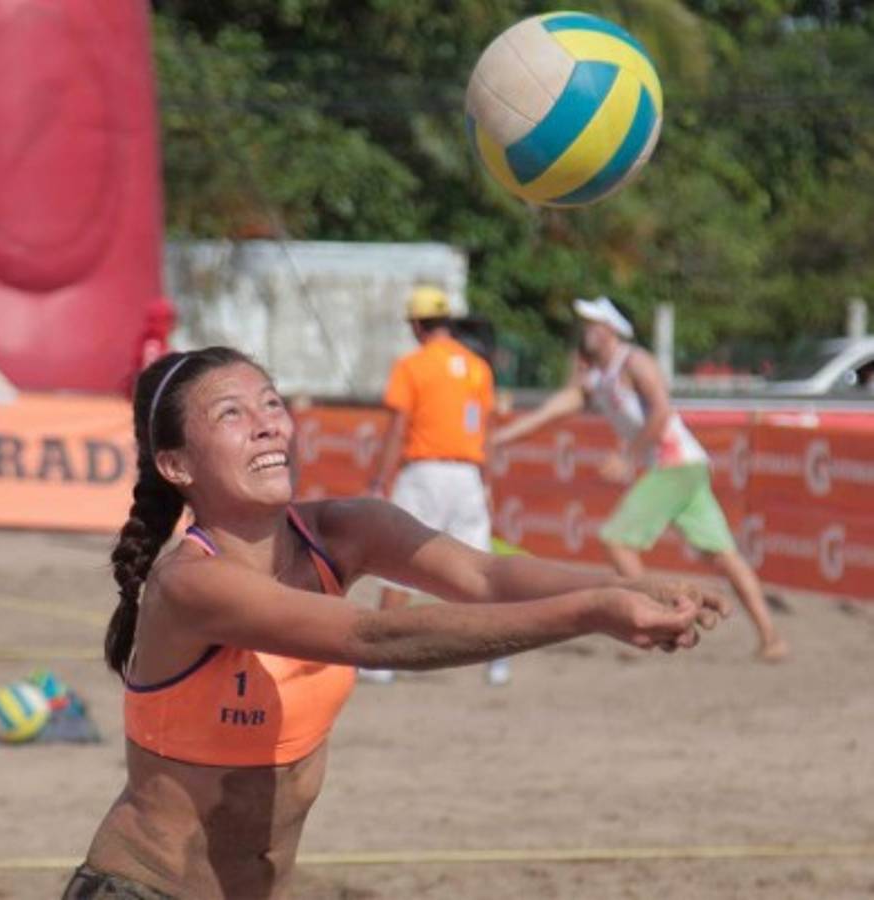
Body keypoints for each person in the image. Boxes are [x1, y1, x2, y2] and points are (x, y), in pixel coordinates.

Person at [66, 345, 728, 899]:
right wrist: (591, 612)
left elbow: (484, 576)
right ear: (176, 465)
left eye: (270, 403)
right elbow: (376, 636)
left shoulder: (344, 530)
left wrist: (623, 584)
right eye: (232, 414)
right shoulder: (190, 583)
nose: (267, 423)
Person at [492, 296, 788, 663]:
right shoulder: (597, 377)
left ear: (612, 330)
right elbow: (552, 411)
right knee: (724, 556)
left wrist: (627, 456)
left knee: (617, 541)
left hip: (674, 465)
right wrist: (500, 438)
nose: (586, 331)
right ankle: (771, 637)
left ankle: (656, 622)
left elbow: (662, 410)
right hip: (685, 466)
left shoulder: (634, 361)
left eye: (594, 324)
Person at [364, 285, 509, 686]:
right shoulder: (479, 367)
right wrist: (488, 483)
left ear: (416, 324)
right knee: (480, 571)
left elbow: (397, 429)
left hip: (424, 472)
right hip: (467, 475)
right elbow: (488, 432)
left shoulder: (412, 365)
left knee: (398, 560)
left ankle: (381, 661)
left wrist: (380, 478)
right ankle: (497, 659)